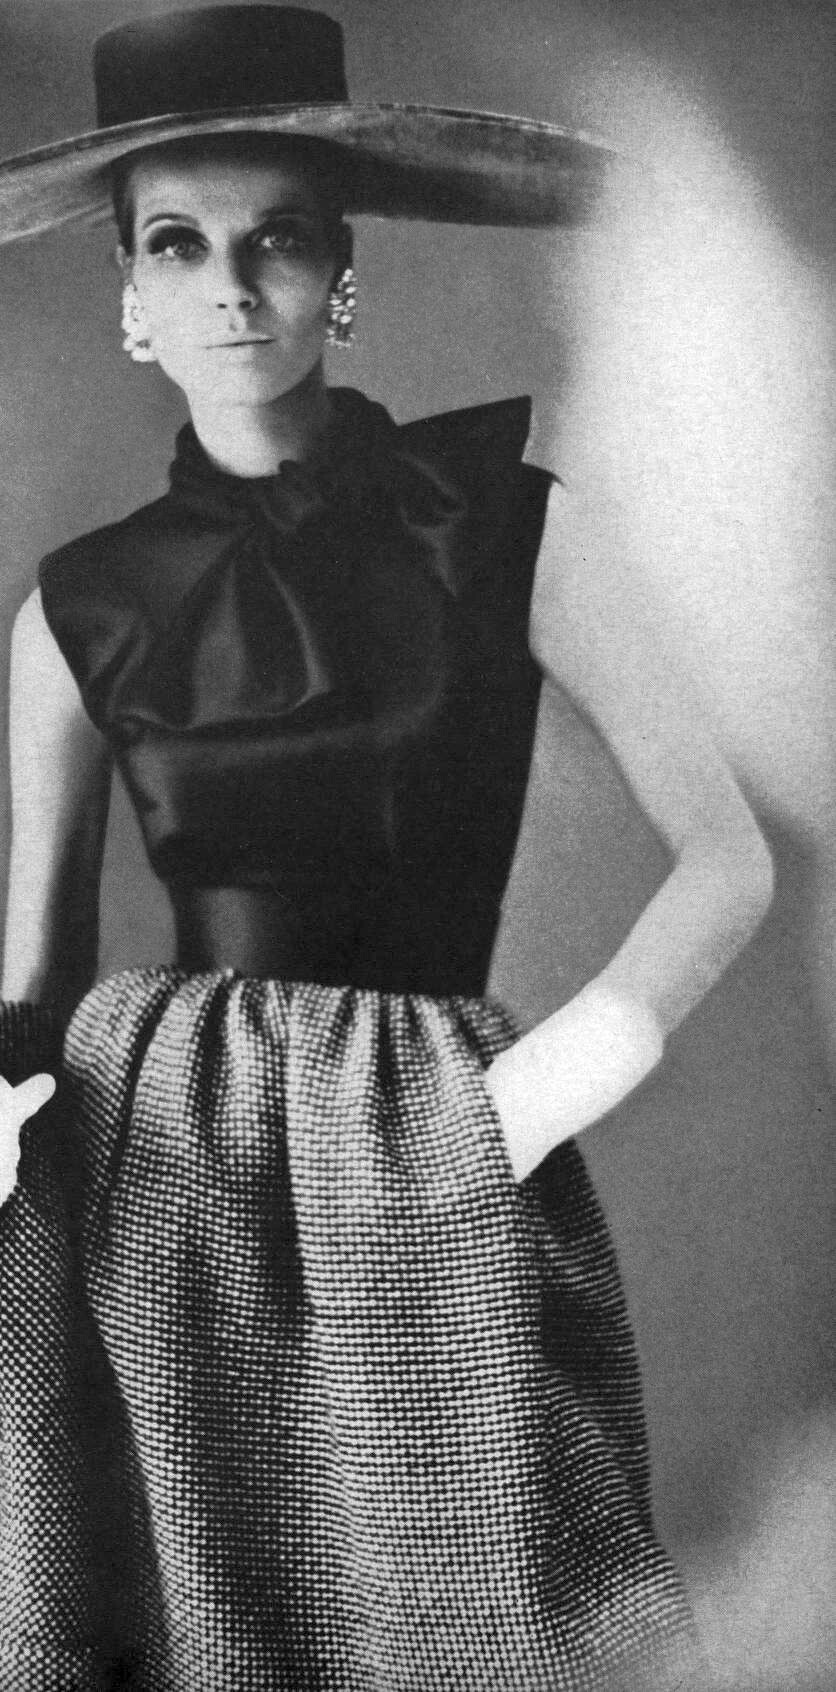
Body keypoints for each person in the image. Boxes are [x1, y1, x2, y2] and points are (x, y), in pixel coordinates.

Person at [0, 7, 773, 1689]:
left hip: (429, 1138)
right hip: (154, 1167)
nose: (231, 289)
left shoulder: (506, 527)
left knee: (470, 1604)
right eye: (178, 244)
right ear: (127, 294)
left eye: (277, 239)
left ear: (342, 272)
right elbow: (28, 984)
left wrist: (528, 1102)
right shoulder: (79, 608)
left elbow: (729, 856)